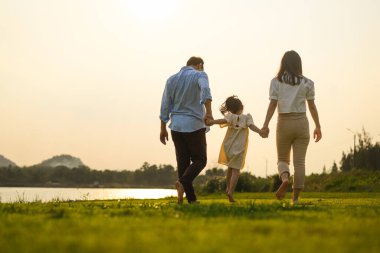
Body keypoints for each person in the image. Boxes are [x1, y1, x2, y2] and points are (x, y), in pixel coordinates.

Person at [261, 50, 322, 203]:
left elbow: (273, 104)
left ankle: (285, 179)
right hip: (302, 123)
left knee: (282, 160)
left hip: (284, 123)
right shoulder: (307, 82)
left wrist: (265, 124)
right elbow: (312, 107)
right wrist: (318, 126)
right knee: (300, 163)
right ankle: (295, 199)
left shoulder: (276, 81)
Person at [159, 56, 213, 204]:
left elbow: (165, 104)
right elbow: (206, 90)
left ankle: (189, 199)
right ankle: (183, 181)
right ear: (200, 65)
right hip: (194, 124)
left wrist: (163, 128)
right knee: (200, 160)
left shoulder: (171, 79)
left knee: (182, 162)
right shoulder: (200, 74)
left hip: (176, 126)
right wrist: (208, 112)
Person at [206, 95, 264, 202]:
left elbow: (222, 121)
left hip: (228, 147)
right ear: (241, 107)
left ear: (231, 109)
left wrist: (212, 122)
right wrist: (260, 131)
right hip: (239, 148)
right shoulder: (247, 117)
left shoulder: (230, 117)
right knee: (236, 171)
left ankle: (228, 187)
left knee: (230, 169)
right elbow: (251, 126)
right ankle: (231, 191)